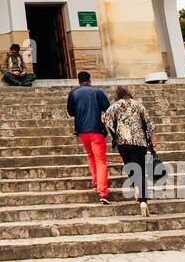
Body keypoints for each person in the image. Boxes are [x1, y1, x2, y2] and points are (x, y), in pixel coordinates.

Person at [102, 85, 158, 217]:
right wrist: (152, 139)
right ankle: (143, 200)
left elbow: (107, 120)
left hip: (123, 142)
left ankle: (137, 190)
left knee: (130, 167)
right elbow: (148, 123)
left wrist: (115, 134)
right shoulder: (138, 105)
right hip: (139, 142)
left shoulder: (115, 106)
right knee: (140, 169)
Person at [66, 71, 111, 203]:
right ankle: (102, 192)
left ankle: (96, 181)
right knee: (101, 161)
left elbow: (71, 112)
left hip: (81, 131)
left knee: (91, 156)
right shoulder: (98, 92)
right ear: (90, 80)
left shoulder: (73, 93)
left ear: (78, 81)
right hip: (96, 129)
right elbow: (108, 109)